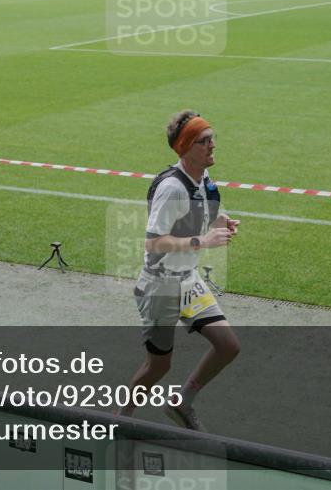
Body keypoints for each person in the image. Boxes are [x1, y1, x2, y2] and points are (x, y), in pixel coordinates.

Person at [120, 110, 241, 431]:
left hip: (187, 281)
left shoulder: (204, 183)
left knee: (228, 346)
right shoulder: (172, 188)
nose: (213, 145)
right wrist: (204, 240)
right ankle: (118, 422)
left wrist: (222, 224)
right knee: (158, 366)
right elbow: (154, 243)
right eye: (204, 141)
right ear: (187, 147)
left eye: (212, 138)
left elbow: (207, 216)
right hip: (160, 286)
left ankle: (182, 402)